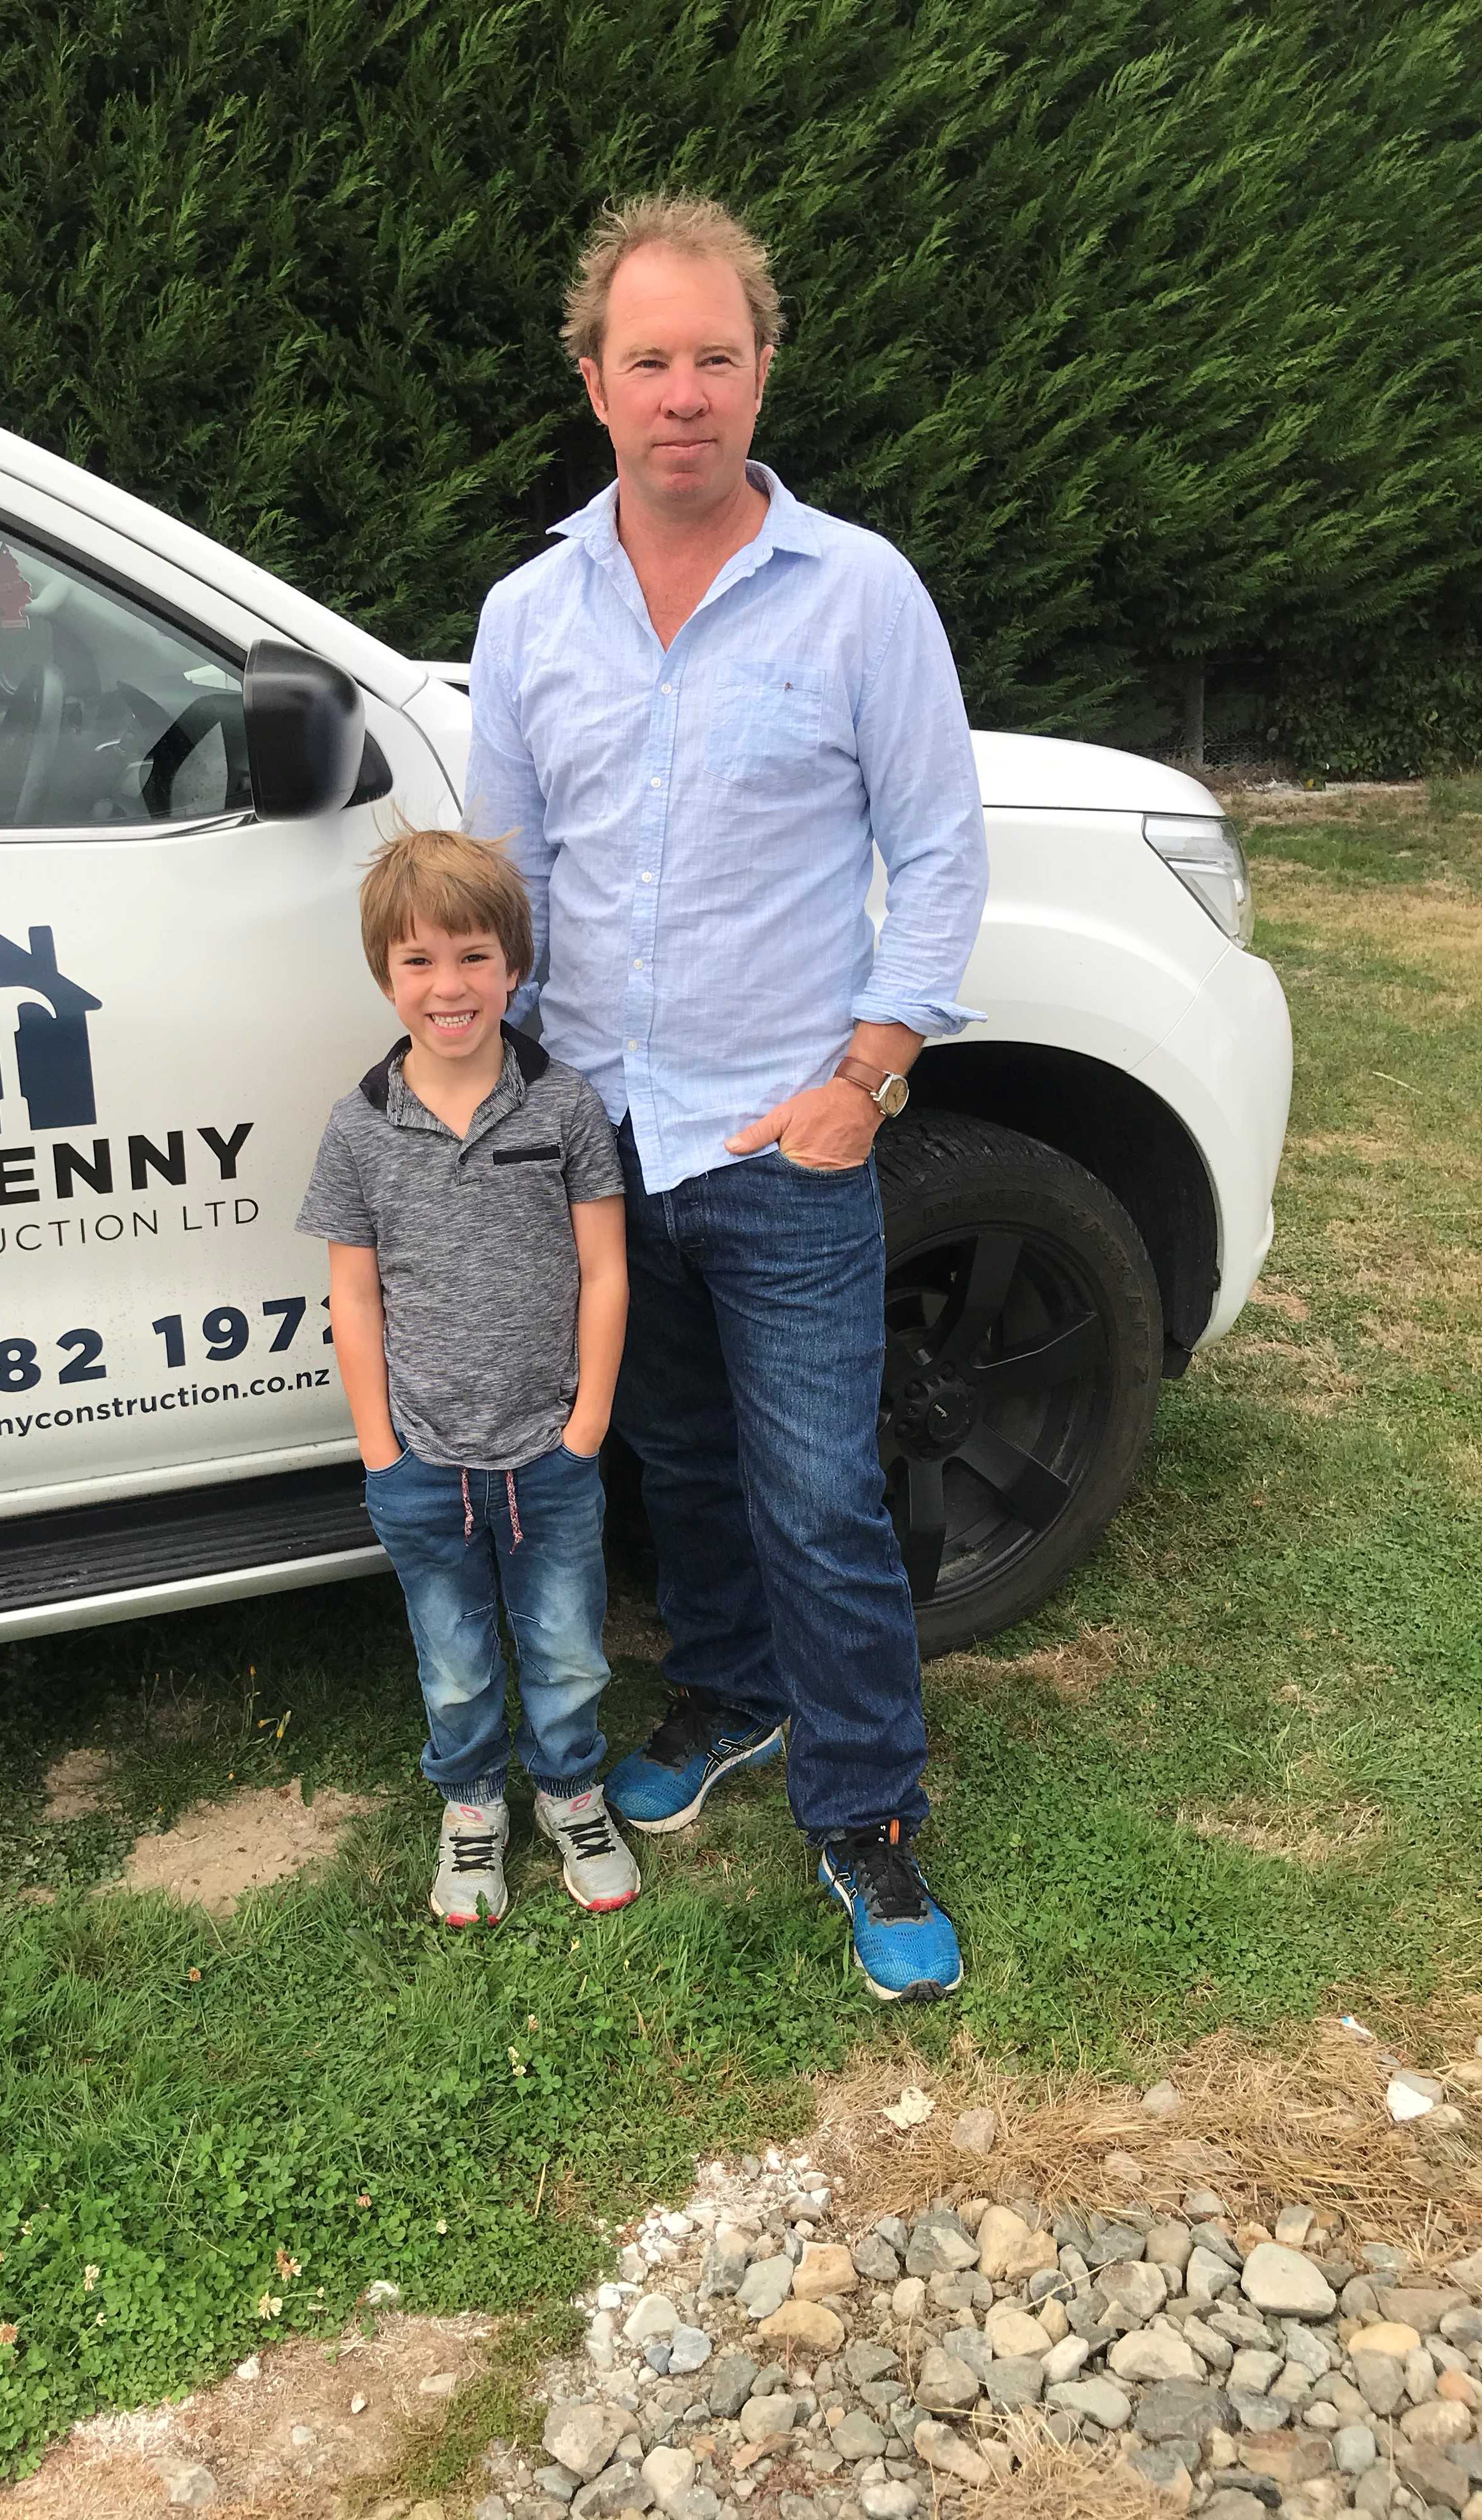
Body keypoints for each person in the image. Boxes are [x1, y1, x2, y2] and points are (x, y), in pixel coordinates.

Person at [464, 195, 989, 2000]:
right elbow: (508, 885)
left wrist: (870, 1074)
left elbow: (937, 856)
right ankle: (733, 1698)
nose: (681, 394)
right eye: (647, 361)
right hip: (606, 1135)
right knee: (676, 1459)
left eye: (714, 358)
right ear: (594, 382)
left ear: (762, 371)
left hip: (784, 1132)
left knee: (823, 1492)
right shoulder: (530, 615)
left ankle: (868, 1807)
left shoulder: (862, 597)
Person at [296, 825, 638, 1926]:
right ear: (386, 974)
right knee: (452, 1659)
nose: (449, 987)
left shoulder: (566, 1106)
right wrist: (379, 1450)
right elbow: (354, 1297)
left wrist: (586, 1430)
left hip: (550, 1452)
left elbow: (604, 1272)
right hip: (423, 1458)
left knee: (569, 1649)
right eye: (419, 962)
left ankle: (572, 1792)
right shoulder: (358, 1130)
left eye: (474, 957)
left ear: (514, 965)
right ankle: (474, 1808)